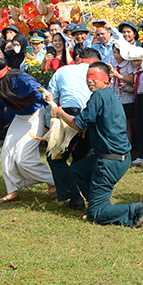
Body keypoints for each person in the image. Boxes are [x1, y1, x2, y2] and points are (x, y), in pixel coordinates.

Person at [52, 61, 143, 228]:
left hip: (110, 161)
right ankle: (97, 201)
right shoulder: (108, 95)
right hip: (117, 158)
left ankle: (136, 209)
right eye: (88, 77)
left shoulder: (98, 96)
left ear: (106, 79)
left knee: (96, 214)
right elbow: (94, 121)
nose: (90, 81)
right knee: (77, 170)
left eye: (94, 77)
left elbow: (78, 123)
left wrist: (60, 112)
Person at [0, 55, 57, 204]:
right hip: (19, 119)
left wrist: (46, 96)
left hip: (34, 117)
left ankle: (54, 181)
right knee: (6, 155)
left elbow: (38, 90)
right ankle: (12, 192)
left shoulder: (21, 78)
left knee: (23, 159)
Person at [44, 47, 96, 211]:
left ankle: (74, 197)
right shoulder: (99, 73)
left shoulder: (62, 71)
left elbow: (52, 96)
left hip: (68, 116)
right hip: (91, 118)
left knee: (55, 157)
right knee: (80, 157)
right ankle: (91, 197)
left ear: (79, 59)